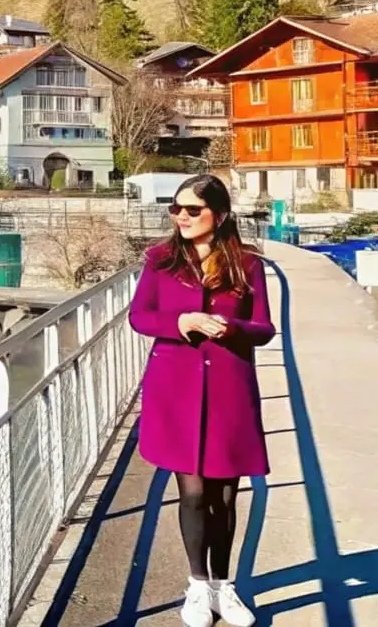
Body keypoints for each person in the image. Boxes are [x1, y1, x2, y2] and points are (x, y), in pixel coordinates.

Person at [129, 174, 273, 627]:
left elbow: (265, 328)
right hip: (176, 388)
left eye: (193, 210)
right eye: (177, 209)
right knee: (191, 493)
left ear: (221, 215)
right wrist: (183, 320)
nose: (182, 217)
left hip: (229, 388)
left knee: (225, 497)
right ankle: (195, 587)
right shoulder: (160, 260)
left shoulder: (247, 265)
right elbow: (139, 316)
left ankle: (223, 588)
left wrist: (232, 329)